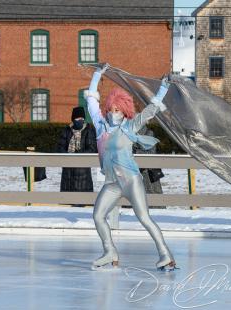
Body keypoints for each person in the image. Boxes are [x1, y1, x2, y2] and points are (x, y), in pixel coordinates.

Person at [84, 64, 176, 270]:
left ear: (124, 111)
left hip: (131, 180)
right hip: (112, 183)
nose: (112, 113)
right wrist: (98, 74)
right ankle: (110, 252)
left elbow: (151, 111)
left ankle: (165, 254)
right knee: (98, 216)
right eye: (110, 110)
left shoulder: (129, 126)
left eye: (117, 110)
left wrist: (163, 87)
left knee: (144, 217)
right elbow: (91, 100)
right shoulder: (101, 127)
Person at [57, 107, 97, 207]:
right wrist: (67, 156)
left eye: (82, 118)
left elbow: (92, 149)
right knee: (68, 203)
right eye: (77, 118)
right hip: (68, 171)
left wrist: (77, 156)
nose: (80, 120)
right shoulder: (67, 130)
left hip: (82, 171)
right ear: (73, 119)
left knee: (81, 203)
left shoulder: (89, 130)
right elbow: (60, 147)